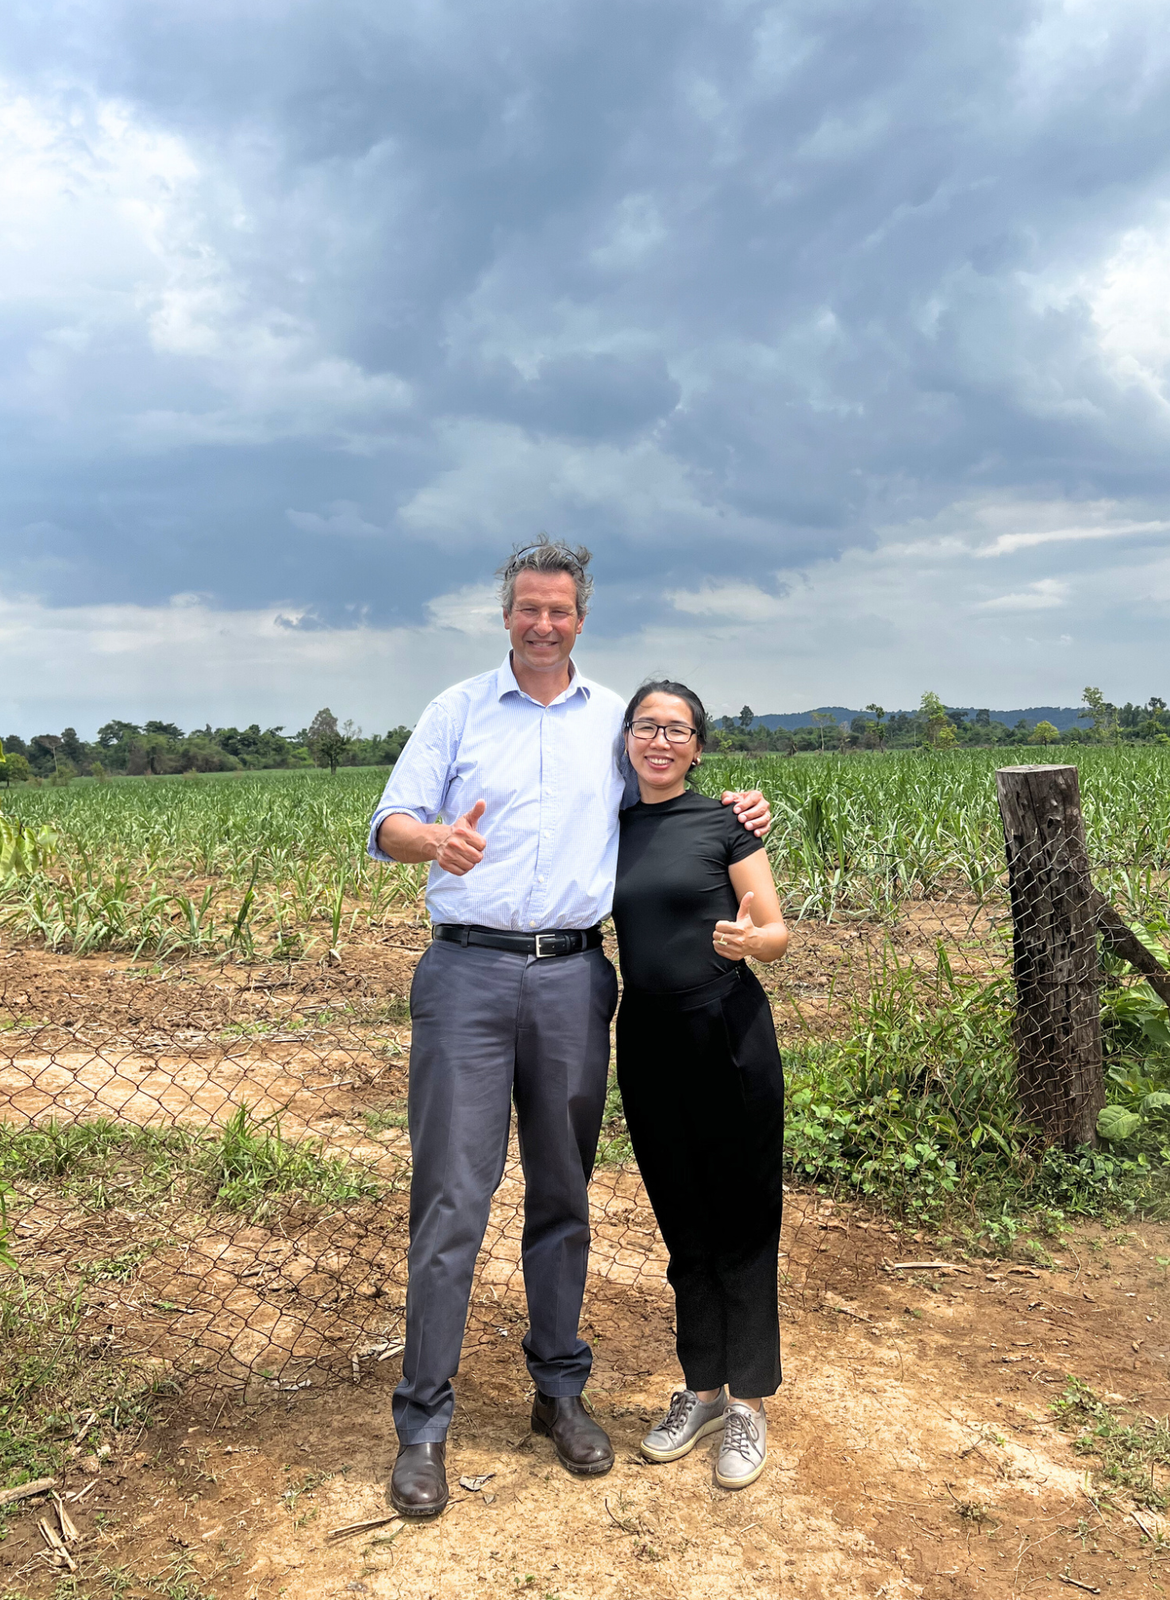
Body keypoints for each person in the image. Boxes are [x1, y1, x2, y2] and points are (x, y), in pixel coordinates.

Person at [366, 537, 771, 1518]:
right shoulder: (455, 711)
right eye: (527, 609)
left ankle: (559, 1391)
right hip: (464, 968)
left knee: (562, 1193)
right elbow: (388, 825)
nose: (543, 623)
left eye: (560, 610)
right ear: (507, 614)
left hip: (573, 978)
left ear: (580, 619)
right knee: (453, 1201)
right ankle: (423, 1422)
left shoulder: (609, 726)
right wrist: (435, 839)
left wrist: (739, 813)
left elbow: (670, 801)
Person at [610, 680, 788, 1491]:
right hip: (646, 1037)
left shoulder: (725, 822)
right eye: (647, 726)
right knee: (683, 1221)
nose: (660, 740)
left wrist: (756, 938)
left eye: (676, 730)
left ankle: (748, 1402)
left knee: (744, 1217)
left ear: (698, 747)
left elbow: (776, 928)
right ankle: (703, 1389)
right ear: (626, 737)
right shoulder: (605, 824)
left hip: (727, 1030)